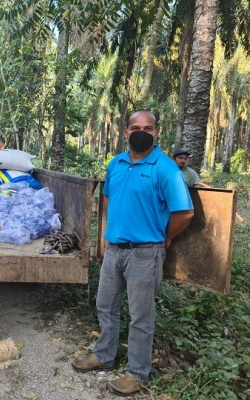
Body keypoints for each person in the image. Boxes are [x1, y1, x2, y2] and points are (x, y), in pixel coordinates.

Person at [71, 110, 195, 396]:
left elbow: (185, 212)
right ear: (125, 132)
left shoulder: (165, 168)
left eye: (148, 128)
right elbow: (107, 198)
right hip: (114, 250)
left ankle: (137, 373)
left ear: (156, 132)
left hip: (145, 254)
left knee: (141, 316)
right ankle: (104, 355)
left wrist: (165, 236)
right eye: (136, 127)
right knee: (106, 305)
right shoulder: (116, 163)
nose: (142, 132)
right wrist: (105, 238)